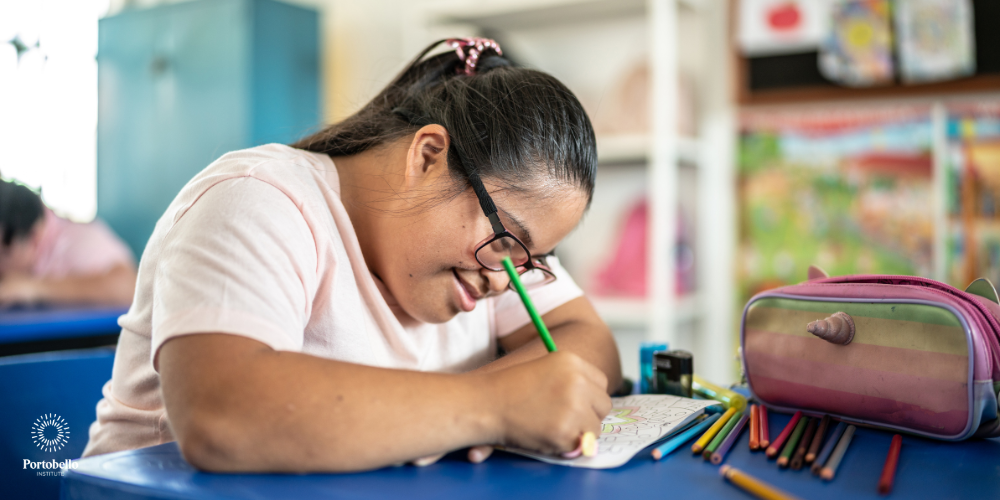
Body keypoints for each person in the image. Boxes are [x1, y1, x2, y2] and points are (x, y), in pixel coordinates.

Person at [83, 38, 621, 472]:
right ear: (428, 156)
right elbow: (222, 415)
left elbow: (587, 337)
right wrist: (492, 407)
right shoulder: (258, 200)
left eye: (531, 259)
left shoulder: (486, 255)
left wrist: (487, 403)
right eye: (508, 242)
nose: (506, 282)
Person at [0, 178, 136, 307]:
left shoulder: (78, 240)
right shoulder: (19, 235)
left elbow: (129, 287)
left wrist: (33, 287)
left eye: (3, 254)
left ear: (34, 239)